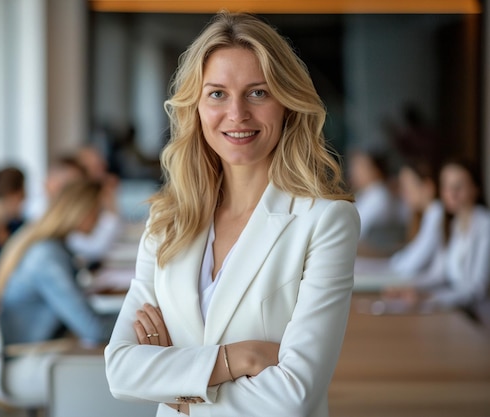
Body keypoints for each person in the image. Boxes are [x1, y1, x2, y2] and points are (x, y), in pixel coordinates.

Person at [105, 12, 360, 417]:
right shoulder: (167, 220)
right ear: (197, 107)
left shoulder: (325, 222)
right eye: (217, 94)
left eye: (258, 93)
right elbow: (120, 371)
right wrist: (238, 358)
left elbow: (293, 397)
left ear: (286, 104)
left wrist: (177, 392)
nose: (237, 113)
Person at [0, 180, 118, 347]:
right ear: (82, 211)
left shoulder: (46, 247)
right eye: (99, 210)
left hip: (36, 347)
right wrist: (142, 319)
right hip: (33, 356)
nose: (101, 219)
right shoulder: (47, 256)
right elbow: (94, 329)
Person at [384, 158, 490, 311]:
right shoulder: (453, 224)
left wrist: (433, 299)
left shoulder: (484, 224)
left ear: (475, 188)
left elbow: (477, 289)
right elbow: (438, 274)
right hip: (457, 311)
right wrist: (409, 289)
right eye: (446, 187)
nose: (452, 193)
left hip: (478, 319)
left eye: (458, 187)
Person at [388, 158, 444, 276]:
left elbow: (417, 259)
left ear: (428, 187)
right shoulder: (428, 214)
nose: (404, 194)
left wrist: (393, 266)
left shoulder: (436, 212)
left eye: (408, 187)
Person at [348, 148, 406, 255]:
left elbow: (354, 230)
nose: (355, 171)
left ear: (376, 169)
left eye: (361, 166)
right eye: (354, 166)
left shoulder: (379, 195)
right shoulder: (366, 193)